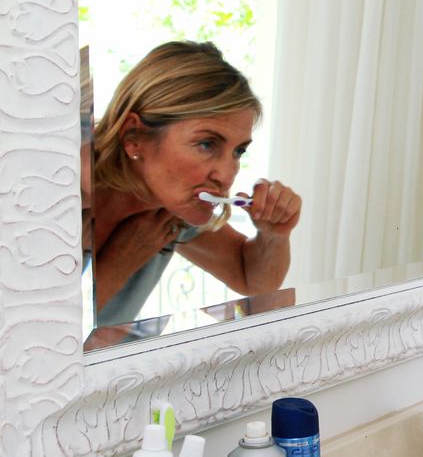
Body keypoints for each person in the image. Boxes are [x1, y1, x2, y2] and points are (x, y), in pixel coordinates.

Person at [90, 41, 302, 328]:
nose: (226, 176)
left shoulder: (169, 210)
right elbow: (28, 342)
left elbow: (251, 278)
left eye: (238, 151)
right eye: (206, 144)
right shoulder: (52, 194)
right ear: (134, 136)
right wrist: (118, 264)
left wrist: (274, 236)